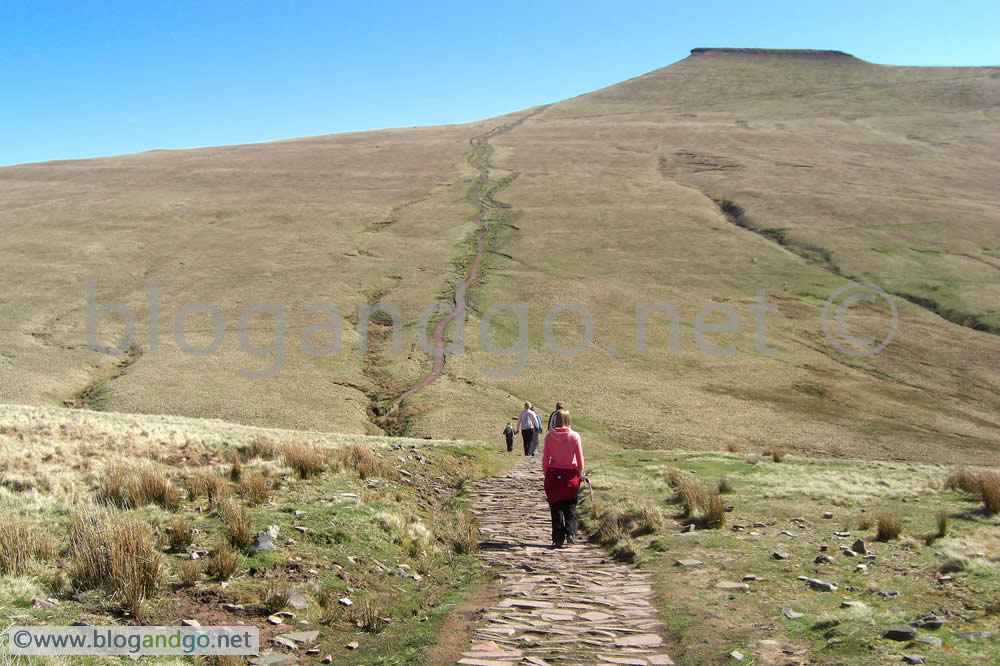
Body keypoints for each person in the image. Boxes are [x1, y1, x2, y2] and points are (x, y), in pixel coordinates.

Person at [541, 409, 584, 548]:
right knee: (570, 506)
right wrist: (580, 472)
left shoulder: (549, 437)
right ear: (568, 420)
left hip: (554, 474)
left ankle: (558, 538)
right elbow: (580, 459)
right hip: (570, 475)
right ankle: (571, 533)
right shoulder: (575, 436)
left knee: (556, 507)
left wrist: (546, 472)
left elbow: (545, 459)